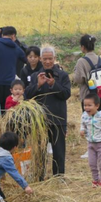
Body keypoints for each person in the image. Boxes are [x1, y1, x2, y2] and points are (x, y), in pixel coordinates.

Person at [25, 46, 71, 177]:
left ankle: (58, 177)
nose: (47, 62)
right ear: (40, 59)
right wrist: (38, 85)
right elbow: (27, 95)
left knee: (59, 151)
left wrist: (53, 84)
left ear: (54, 59)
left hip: (58, 119)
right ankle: (39, 176)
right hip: (39, 120)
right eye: (45, 59)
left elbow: (66, 94)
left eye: (50, 59)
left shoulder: (62, 75)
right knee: (39, 150)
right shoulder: (35, 76)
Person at [73, 34, 101, 113]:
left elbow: (78, 80)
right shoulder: (100, 59)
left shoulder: (81, 61)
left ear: (83, 47)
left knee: (88, 122)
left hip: (87, 98)